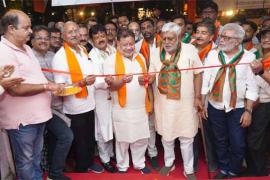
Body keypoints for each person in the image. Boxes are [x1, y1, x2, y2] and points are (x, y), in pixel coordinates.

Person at [0, 10, 64, 180]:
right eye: (26, 27)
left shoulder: (26, 48)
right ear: (11, 28)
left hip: (38, 117)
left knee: (35, 158)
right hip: (23, 121)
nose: (30, 31)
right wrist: (47, 86)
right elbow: (15, 88)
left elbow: (36, 76)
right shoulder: (4, 51)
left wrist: (52, 86)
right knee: (26, 161)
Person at [201, 23, 258, 179]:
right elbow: (206, 80)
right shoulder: (212, 55)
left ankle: (234, 170)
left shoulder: (249, 58)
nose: (222, 40)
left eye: (227, 37)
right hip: (214, 105)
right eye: (221, 36)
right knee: (220, 140)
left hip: (238, 107)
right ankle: (224, 169)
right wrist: (204, 103)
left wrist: (248, 111)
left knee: (238, 142)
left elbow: (252, 88)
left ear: (238, 41)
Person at [149, 22, 202, 180]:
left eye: (171, 39)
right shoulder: (155, 51)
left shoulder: (190, 50)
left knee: (187, 137)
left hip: (185, 103)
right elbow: (152, 72)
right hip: (163, 104)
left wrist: (198, 97)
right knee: (167, 136)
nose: (166, 42)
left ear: (179, 38)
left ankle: (188, 168)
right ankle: (169, 162)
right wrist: (147, 77)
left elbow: (198, 74)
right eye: (164, 38)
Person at [52, 21, 103, 173]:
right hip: (74, 108)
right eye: (70, 32)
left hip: (90, 103)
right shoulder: (60, 57)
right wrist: (80, 83)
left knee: (88, 138)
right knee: (80, 141)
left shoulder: (82, 49)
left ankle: (88, 163)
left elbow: (91, 72)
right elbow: (60, 89)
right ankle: (81, 168)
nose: (74, 34)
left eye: (76, 31)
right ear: (62, 36)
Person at [103, 29, 151, 174]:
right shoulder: (110, 60)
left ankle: (139, 163)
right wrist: (122, 81)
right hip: (121, 108)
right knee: (123, 139)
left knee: (141, 138)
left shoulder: (140, 58)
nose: (129, 47)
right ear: (118, 44)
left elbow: (145, 79)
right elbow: (111, 85)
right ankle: (122, 165)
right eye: (125, 45)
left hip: (141, 106)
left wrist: (144, 80)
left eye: (131, 44)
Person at [31, 25, 73, 180]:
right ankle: (53, 173)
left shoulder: (53, 55)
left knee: (57, 138)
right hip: (39, 108)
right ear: (32, 40)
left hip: (57, 105)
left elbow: (60, 78)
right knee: (65, 136)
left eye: (46, 38)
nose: (43, 41)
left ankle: (53, 172)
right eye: (39, 38)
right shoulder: (30, 57)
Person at [88, 24, 117, 173]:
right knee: (102, 129)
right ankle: (105, 158)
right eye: (97, 37)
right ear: (92, 40)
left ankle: (112, 154)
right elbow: (96, 82)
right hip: (101, 98)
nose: (100, 39)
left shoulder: (113, 50)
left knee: (112, 127)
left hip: (115, 96)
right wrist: (111, 83)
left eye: (102, 35)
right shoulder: (91, 56)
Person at [192, 20, 218, 172]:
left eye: (204, 33)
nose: (199, 35)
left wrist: (204, 101)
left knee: (209, 132)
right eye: (198, 32)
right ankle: (193, 162)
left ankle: (212, 162)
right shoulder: (189, 48)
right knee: (192, 131)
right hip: (191, 95)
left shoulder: (216, 52)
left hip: (208, 97)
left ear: (211, 36)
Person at [135, 18, 160, 171]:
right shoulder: (137, 47)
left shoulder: (165, 43)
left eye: (148, 26)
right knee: (150, 123)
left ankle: (169, 152)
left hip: (164, 88)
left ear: (155, 27)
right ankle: (153, 153)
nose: (146, 30)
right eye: (142, 27)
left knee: (163, 121)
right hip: (147, 88)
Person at [247, 27, 270, 176]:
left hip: (265, 103)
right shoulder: (258, 57)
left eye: (269, 37)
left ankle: (259, 171)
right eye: (263, 37)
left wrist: (261, 72)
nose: (266, 40)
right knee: (256, 139)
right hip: (254, 101)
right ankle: (256, 169)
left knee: (256, 141)